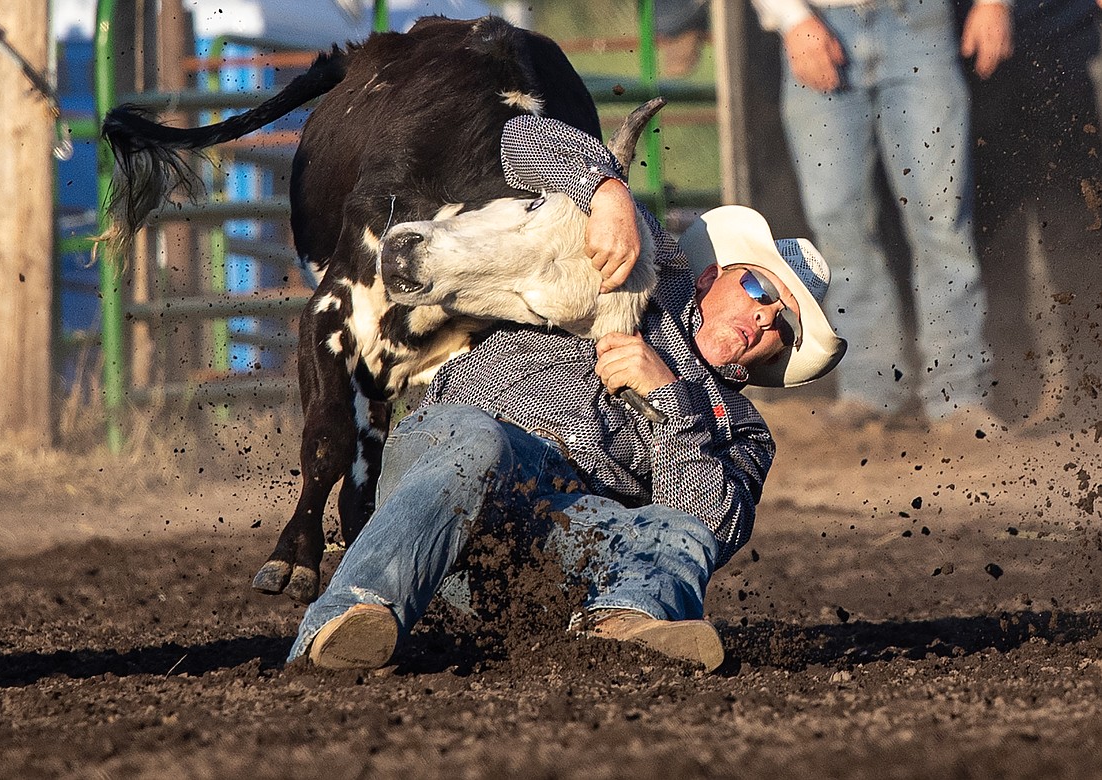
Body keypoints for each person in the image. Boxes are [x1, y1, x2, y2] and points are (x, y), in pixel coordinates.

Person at [286, 116, 846, 673]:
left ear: (775, 356)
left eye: (784, 326)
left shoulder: (740, 431)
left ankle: (623, 626)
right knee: (480, 444)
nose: (763, 316)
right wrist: (608, 194)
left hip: (548, 560)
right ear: (711, 276)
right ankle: (348, 616)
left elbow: (707, 525)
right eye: (759, 287)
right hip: (449, 477)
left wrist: (671, 398)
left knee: (680, 530)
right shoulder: (644, 261)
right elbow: (519, 139)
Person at [750, 0, 1013, 428]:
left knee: (942, 220)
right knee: (839, 226)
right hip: (818, 25)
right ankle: (871, 389)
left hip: (921, 22)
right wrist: (793, 19)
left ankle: (959, 395)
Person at [954, 0, 1102, 428]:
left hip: (1058, 43)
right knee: (992, 233)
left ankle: (1087, 391)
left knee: (1074, 228)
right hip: (974, 49)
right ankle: (1009, 390)